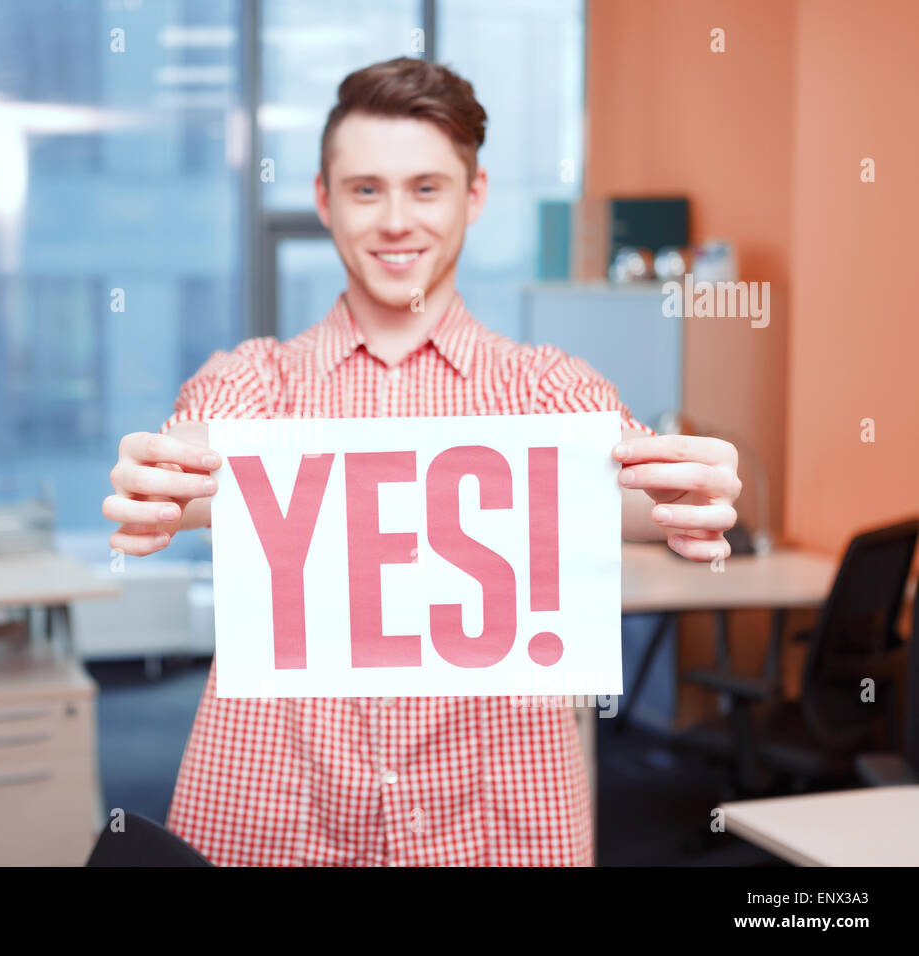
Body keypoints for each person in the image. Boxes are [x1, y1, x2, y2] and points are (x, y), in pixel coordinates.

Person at [103, 57, 741, 866]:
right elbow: (192, 469)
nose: (396, 220)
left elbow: (634, 496)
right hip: (274, 809)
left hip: (494, 821)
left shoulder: (547, 391)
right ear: (325, 201)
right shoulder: (252, 383)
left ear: (474, 198)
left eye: (427, 188)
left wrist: (690, 495)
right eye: (366, 189)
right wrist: (153, 486)